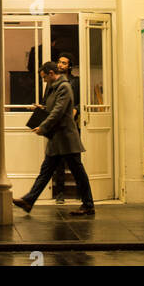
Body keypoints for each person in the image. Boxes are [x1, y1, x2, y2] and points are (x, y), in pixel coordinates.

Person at [13, 61, 95, 217]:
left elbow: (58, 111)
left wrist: (43, 127)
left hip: (66, 138)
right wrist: (41, 108)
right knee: (46, 171)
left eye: (44, 77)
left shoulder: (64, 87)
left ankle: (88, 205)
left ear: (51, 74)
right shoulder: (53, 88)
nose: (43, 80)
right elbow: (52, 108)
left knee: (78, 172)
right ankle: (29, 200)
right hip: (57, 139)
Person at [51, 53, 81, 205]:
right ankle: (60, 192)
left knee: (75, 159)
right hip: (58, 123)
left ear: (69, 66)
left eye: (64, 63)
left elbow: (80, 100)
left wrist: (75, 111)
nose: (60, 65)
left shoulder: (76, 82)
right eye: (59, 62)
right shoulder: (54, 82)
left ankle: (80, 192)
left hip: (72, 123)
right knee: (59, 161)